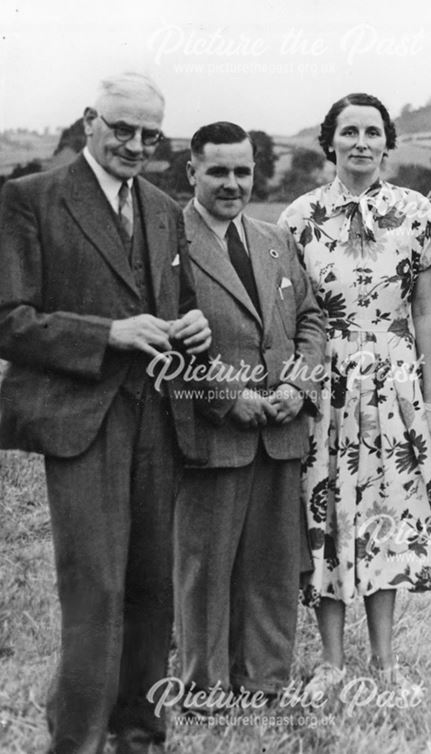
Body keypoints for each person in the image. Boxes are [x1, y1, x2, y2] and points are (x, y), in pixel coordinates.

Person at [0, 73, 211, 754]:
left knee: (153, 585)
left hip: (157, 413)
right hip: (81, 419)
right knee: (94, 588)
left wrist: (191, 327)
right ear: (90, 120)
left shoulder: (162, 205)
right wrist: (106, 335)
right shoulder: (30, 198)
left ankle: (141, 733)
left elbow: (166, 304)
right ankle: (79, 741)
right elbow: (10, 320)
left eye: (151, 134)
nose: (137, 144)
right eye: (123, 129)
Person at [278, 92, 431, 698]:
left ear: (387, 141)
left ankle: (384, 663)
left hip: (395, 385)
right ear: (329, 141)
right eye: (348, 131)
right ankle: (330, 663)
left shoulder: (417, 212)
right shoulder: (298, 217)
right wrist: (298, 387)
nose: (360, 142)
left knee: (384, 519)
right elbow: (290, 314)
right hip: (326, 384)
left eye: (372, 132)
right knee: (325, 516)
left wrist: (430, 400)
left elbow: (426, 310)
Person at [171, 122, 325, 705]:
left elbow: (311, 318)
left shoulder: (273, 238)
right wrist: (226, 397)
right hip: (213, 435)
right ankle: (203, 689)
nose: (232, 183)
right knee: (205, 572)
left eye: (242, 171)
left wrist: (299, 385)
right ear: (192, 172)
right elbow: (167, 340)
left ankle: (264, 683)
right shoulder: (168, 241)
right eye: (218, 171)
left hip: (281, 433)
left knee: (273, 568)